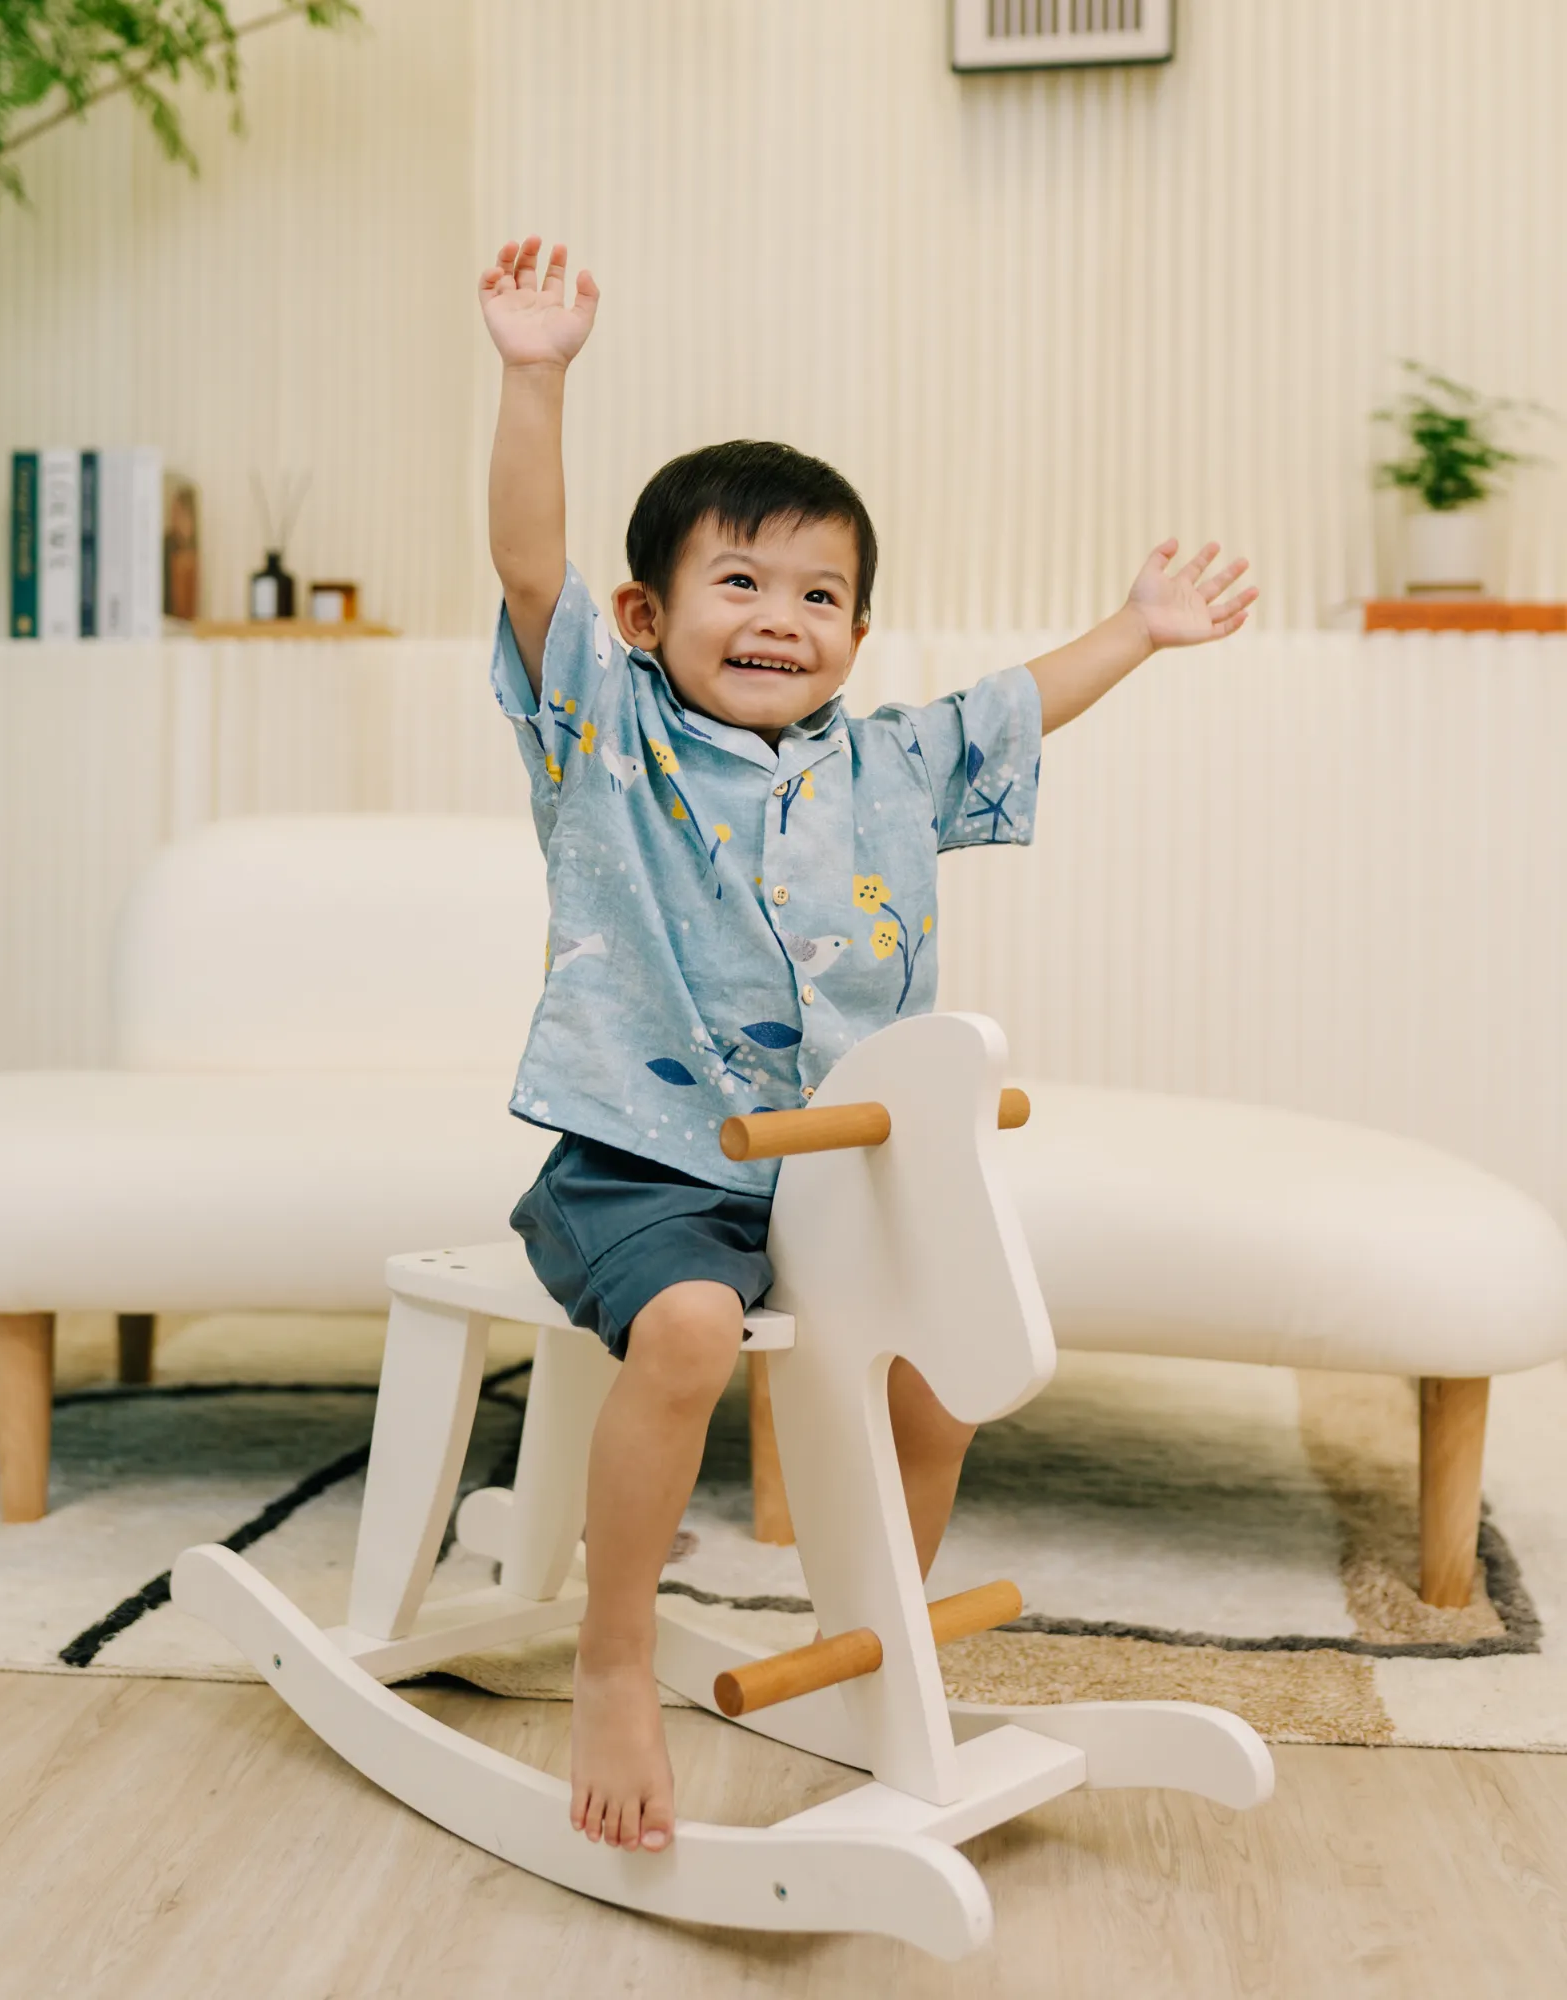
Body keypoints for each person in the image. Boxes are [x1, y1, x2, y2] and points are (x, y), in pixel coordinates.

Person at [479, 234, 1257, 1858]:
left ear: (857, 630)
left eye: (821, 595)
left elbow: (1016, 705)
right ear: (650, 611)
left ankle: (881, 1636)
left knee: (947, 1363)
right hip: (646, 1170)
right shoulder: (605, 728)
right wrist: (535, 378)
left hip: (839, 1186)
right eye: (741, 584)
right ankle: (614, 1663)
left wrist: (1138, 629)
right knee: (689, 1335)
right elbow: (529, 565)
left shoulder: (887, 764)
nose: (783, 620)